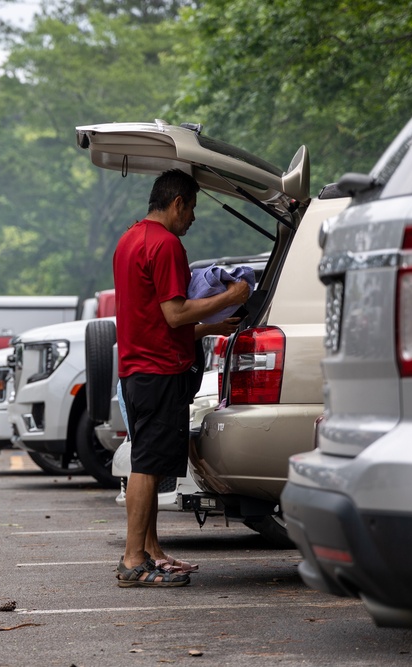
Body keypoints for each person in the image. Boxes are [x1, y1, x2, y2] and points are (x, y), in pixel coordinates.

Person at [113, 169, 249, 588]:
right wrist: (231, 296)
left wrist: (211, 328)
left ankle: (150, 550)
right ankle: (133, 560)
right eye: (192, 209)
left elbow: (157, 320)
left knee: (146, 461)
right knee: (148, 467)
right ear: (177, 203)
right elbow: (175, 313)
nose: (193, 219)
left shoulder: (129, 239)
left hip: (137, 369)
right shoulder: (167, 244)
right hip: (159, 372)